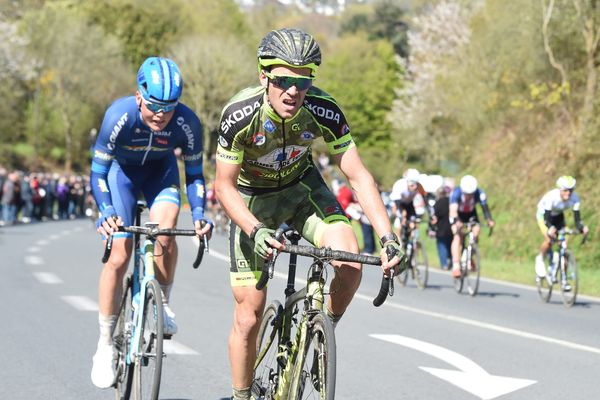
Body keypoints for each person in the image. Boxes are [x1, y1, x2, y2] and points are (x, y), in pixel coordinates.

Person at [213, 28, 405, 400]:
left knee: (350, 266)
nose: (292, 91)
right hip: (253, 202)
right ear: (263, 76)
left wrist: (388, 237)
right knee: (249, 314)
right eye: (283, 80)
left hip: (302, 190)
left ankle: (320, 334)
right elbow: (223, 186)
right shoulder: (240, 115)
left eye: (302, 82)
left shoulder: (323, 109)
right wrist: (255, 230)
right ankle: (241, 395)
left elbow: (358, 174)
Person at [89, 56, 212, 389]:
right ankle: (104, 342)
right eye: (155, 105)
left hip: (161, 176)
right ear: (139, 95)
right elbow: (99, 170)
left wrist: (200, 212)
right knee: (119, 254)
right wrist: (105, 210)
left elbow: (196, 174)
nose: (161, 113)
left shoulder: (188, 122)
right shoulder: (119, 115)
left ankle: (162, 305)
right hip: (122, 177)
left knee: (167, 233)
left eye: (169, 107)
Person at [534, 176, 589, 290]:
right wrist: (550, 228)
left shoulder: (575, 198)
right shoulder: (551, 197)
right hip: (544, 216)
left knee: (564, 244)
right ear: (559, 189)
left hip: (558, 216)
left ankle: (563, 279)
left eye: (571, 190)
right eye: (565, 190)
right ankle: (540, 258)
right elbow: (546, 217)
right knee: (549, 239)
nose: (568, 193)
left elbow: (577, 219)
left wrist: (582, 227)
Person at [449, 174, 495, 277]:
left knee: (476, 232)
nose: (469, 196)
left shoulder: (479, 193)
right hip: (458, 214)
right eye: (467, 194)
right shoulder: (456, 193)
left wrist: (489, 220)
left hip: (471, 213)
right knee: (458, 236)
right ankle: (456, 265)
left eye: (471, 194)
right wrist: (457, 221)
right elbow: (453, 211)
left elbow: (485, 208)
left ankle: (469, 256)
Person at [390, 168, 428, 246]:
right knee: (402, 219)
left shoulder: (418, 185)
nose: (414, 187)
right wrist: (402, 214)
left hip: (409, 204)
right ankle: (399, 242)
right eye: (412, 185)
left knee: (413, 222)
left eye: (416, 184)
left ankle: (413, 240)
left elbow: (425, 198)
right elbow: (397, 203)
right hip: (398, 203)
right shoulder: (400, 185)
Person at [430, 186, 453, 270]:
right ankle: (451, 261)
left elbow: (433, 218)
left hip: (441, 229)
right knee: (450, 246)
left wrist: (431, 227)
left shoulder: (437, 203)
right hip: (451, 229)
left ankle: (444, 264)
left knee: (442, 247)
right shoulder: (451, 202)